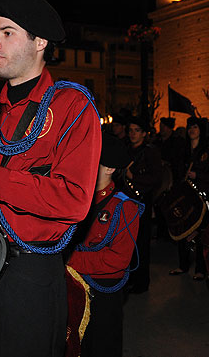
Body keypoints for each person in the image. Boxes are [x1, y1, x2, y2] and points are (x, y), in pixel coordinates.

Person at [0, 0, 101, 357]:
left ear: (40, 42)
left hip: (28, 275)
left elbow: (75, 201)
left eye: (7, 32)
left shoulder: (73, 105)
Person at [67, 131, 142, 357]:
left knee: (102, 346)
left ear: (109, 168)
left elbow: (117, 260)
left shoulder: (125, 207)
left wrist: (69, 259)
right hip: (72, 286)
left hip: (104, 292)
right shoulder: (75, 197)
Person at [169, 116, 209, 280]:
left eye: (195, 127)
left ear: (201, 130)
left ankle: (200, 269)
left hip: (202, 197)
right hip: (185, 196)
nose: (192, 130)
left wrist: (198, 174)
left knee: (200, 233)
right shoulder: (183, 150)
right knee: (182, 228)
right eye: (190, 127)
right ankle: (182, 265)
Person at [123, 116, 162, 294]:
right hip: (125, 200)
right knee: (126, 241)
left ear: (144, 134)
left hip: (141, 201)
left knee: (141, 242)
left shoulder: (150, 152)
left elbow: (156, 178)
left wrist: (134, 178)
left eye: (136, 130)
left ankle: (141, 281)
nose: (132, 133)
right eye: (130, 130)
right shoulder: (126, 150)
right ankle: (128, 277)